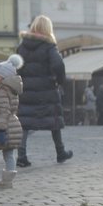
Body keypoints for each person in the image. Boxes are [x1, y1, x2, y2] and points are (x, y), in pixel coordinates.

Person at [16, 15, 73, 166]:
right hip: (46, 90)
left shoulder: (22, 46)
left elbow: (16, 67)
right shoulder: (49, 46)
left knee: (25, 122)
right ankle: (60, 153)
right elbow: (59, 65)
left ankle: (21, 156)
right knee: (54, 121)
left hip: (26, 90)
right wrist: (59, 81)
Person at [0, 54, 25, 188]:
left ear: (2, 75)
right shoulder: (11, 88)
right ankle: (7, 181)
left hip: (1, 124)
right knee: (9, 152)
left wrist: (1, 130)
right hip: (12, 123)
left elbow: (3, 110)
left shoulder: (1, 90)